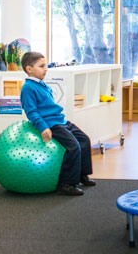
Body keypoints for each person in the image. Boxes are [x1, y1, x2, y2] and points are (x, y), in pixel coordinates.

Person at [19, 52, 96, 196]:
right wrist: (43, 127)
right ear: (29, 69)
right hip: (50, 123)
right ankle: (65, 184)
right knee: (73, 147)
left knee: (84, 140)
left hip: (60, 120)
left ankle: (81, 175)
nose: (45, 69)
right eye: (41, 66)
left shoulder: (41, 84)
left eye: (45, 65)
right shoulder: (28, 88)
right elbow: (31, 111)